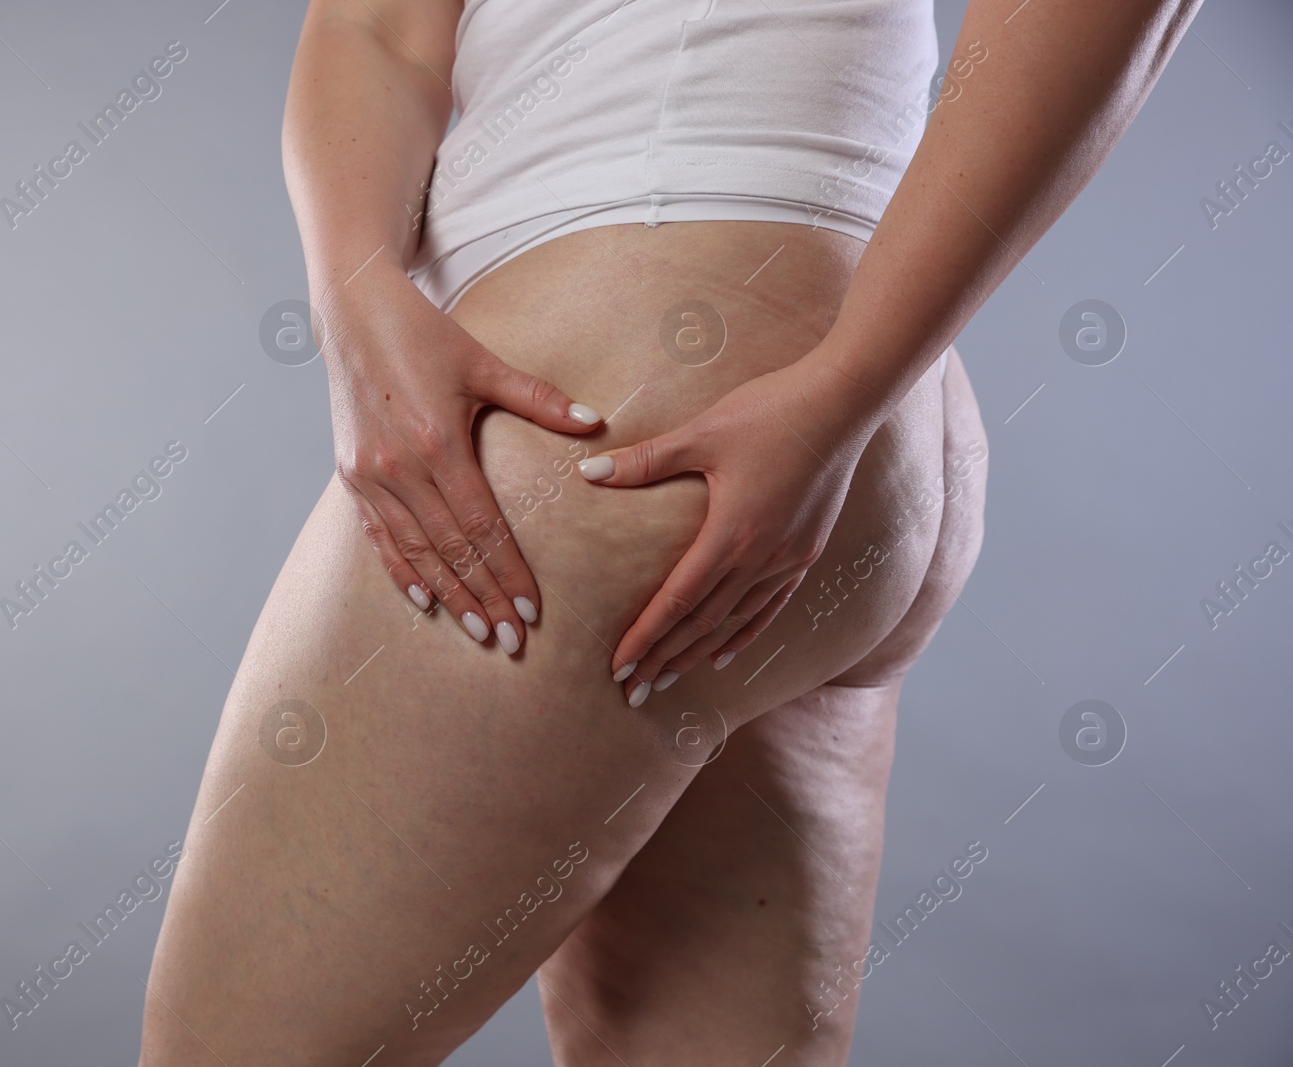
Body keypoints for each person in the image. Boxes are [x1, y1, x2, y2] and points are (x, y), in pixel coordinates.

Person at [139, 1, 1197, 1063]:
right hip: (863, 448)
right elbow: (379, 28)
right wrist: (354, 294)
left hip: (626, 411)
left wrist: (841, 390)